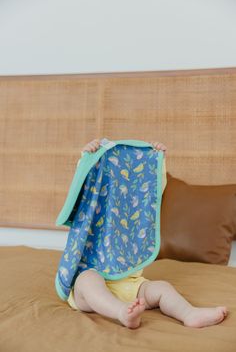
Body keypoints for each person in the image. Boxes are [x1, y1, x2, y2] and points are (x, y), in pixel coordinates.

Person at [68, 138, 228, 329]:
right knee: (87, 280)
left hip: (130, 284)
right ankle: (121, 312)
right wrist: (86, 159)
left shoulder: (133, 220)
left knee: (161, 288)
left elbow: (150, 197)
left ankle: (189, 313)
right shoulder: (90, 209)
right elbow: (82, 190)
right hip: (90, 288)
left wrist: (157, 162)